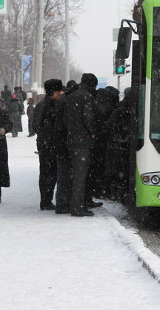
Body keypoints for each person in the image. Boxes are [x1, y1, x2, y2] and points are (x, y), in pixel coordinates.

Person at [64, 73, 102, 216]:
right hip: (82, 141)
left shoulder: (71, 95)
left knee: (74, 175)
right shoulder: (86, 96)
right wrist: (92, 132)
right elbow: (88, 117)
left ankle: (74, 204)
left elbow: (66, 119)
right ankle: (77, 207)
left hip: (72, 138)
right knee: (81, 175)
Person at [33, 79, 69, 212]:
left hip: (51, 144)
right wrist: (51, 135)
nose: (60, 93)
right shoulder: (44, 106)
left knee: (51, 173)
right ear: (52, 92)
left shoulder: (54, 104)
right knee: (47, 174)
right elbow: (37, 126)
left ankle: (46, 200)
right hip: (47, 145)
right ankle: (45, 201)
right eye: (58, 91)